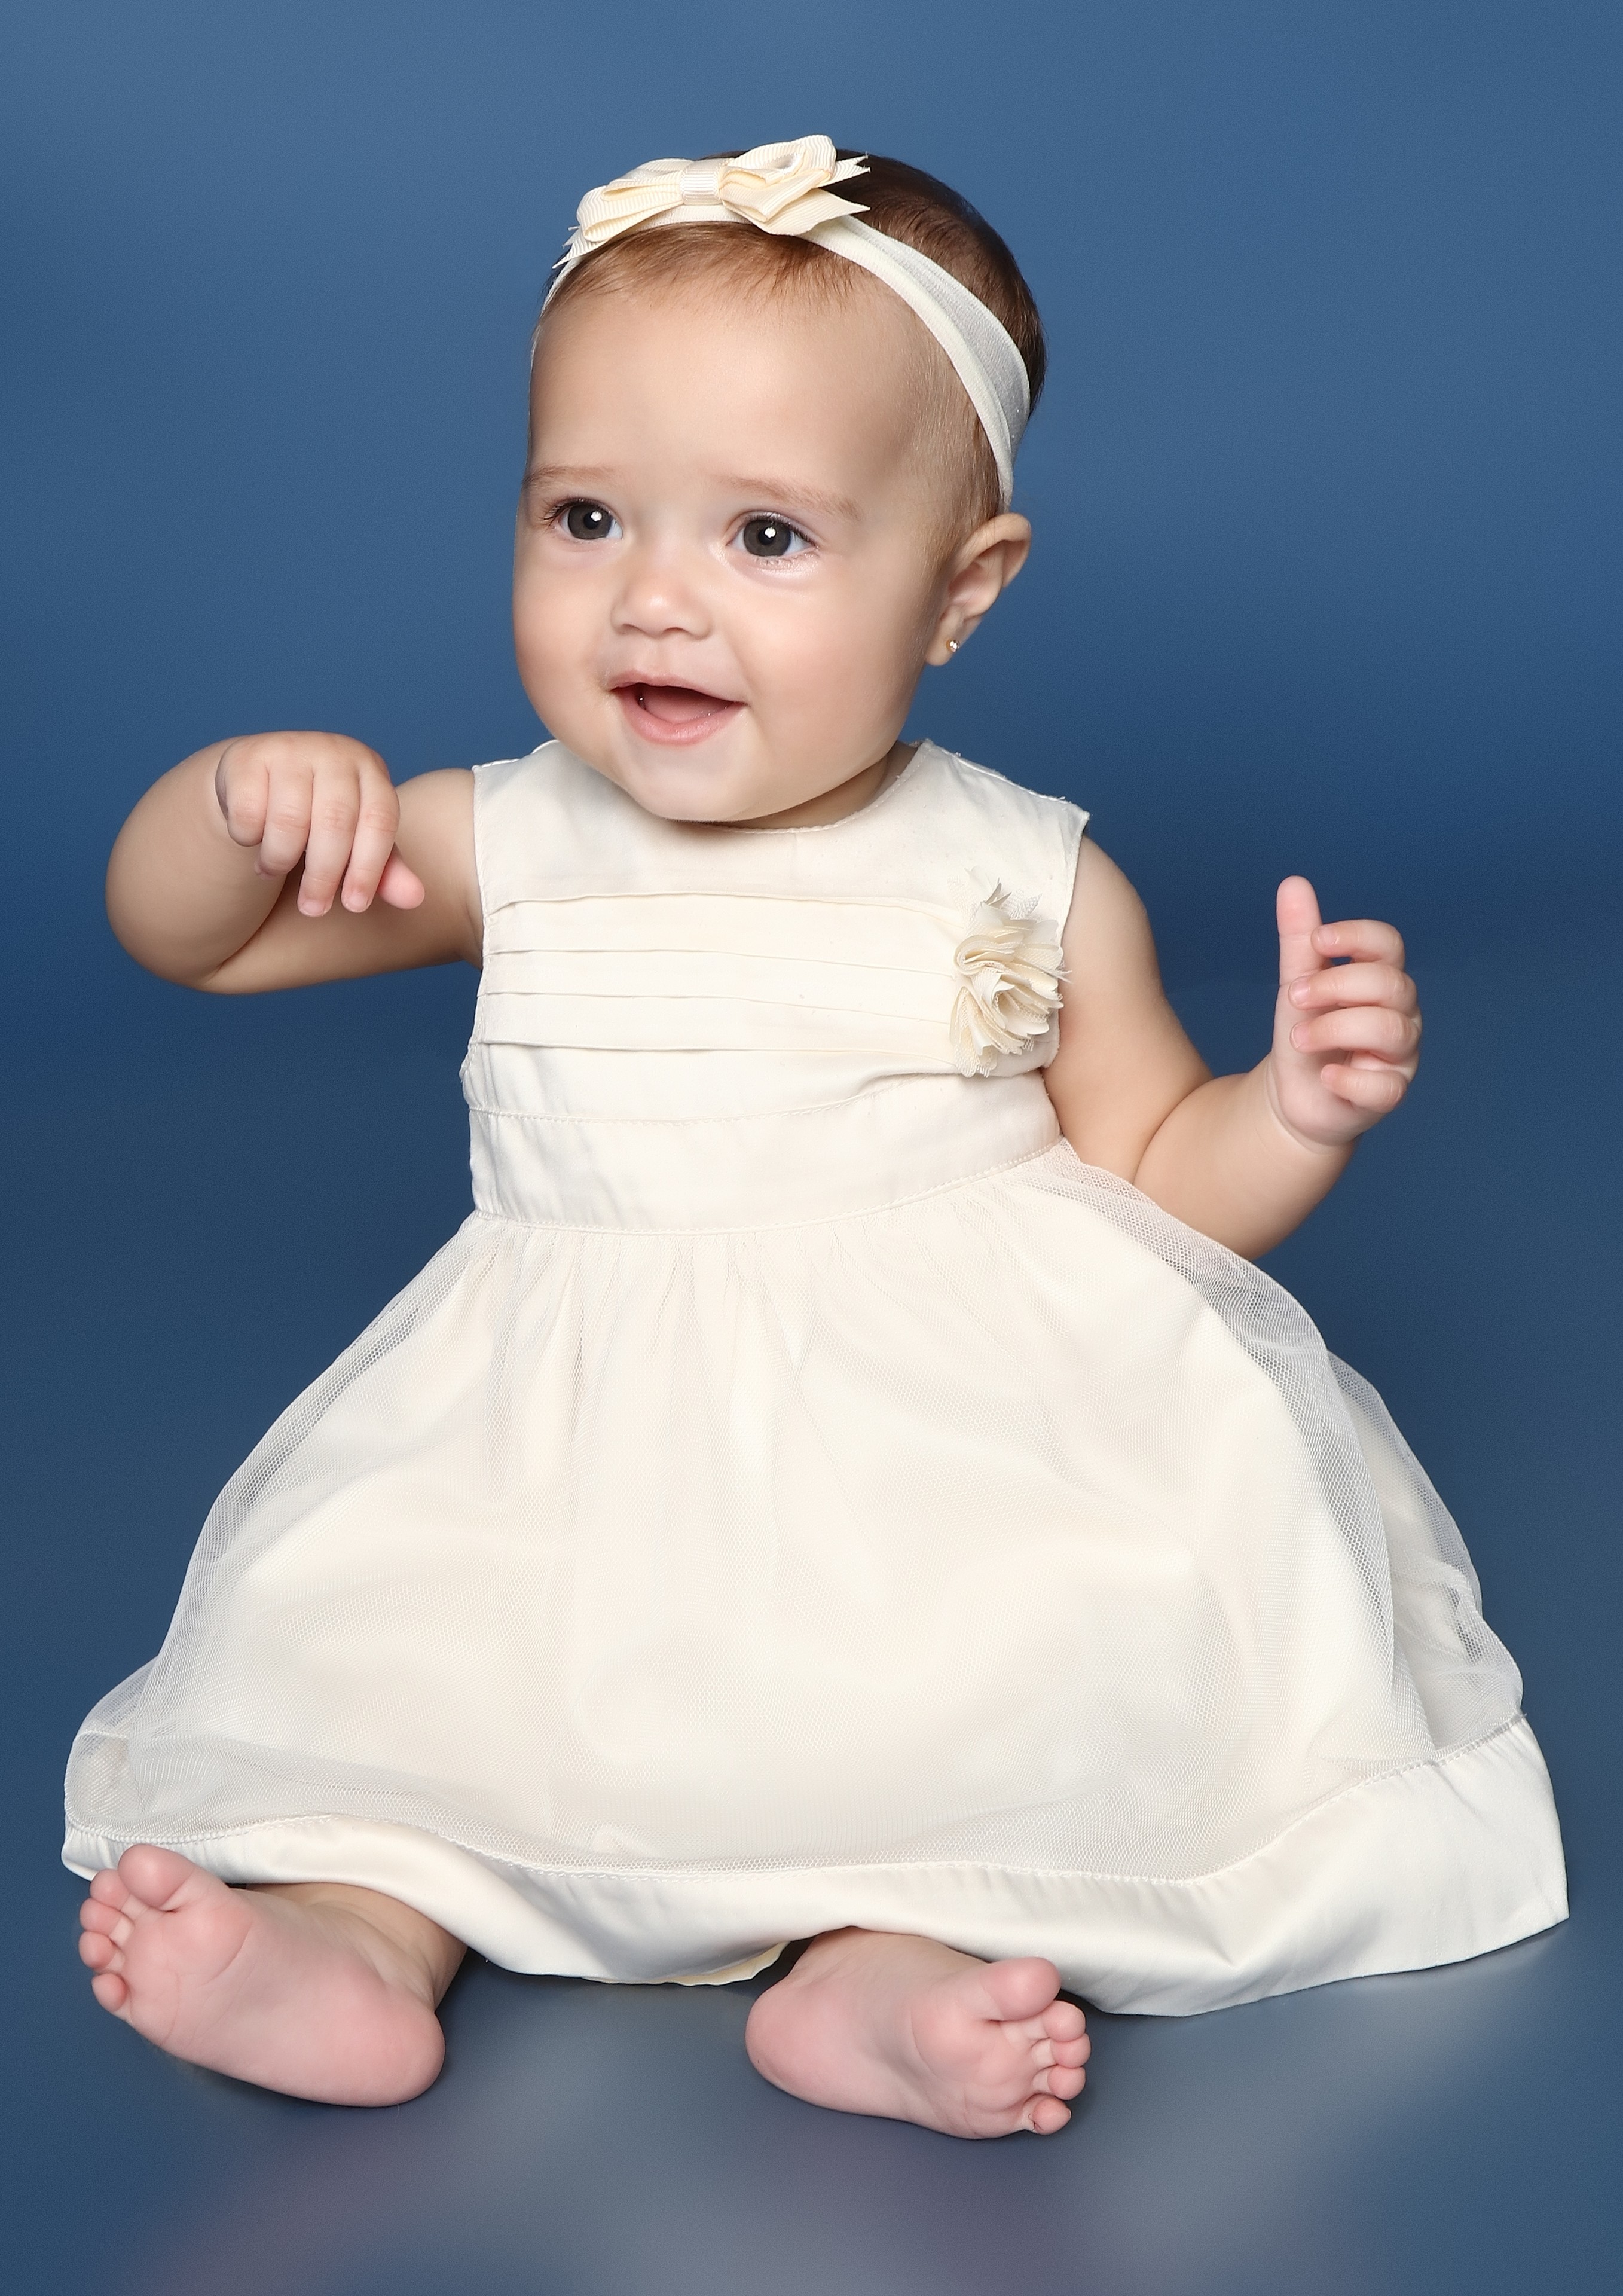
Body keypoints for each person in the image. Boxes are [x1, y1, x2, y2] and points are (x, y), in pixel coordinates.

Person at [67, 137, 1566, 2139]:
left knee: (981, 1709)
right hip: (558, 1452)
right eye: (585, 516)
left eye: (764, 537)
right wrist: (228, 809)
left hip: (937, 1458)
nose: (654, 597)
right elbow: (200, 941)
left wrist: (1290, 1109)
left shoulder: (1026, 875)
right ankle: (349, 1941)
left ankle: (872, 1977)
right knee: (416, 1691)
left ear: (959, 590)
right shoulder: (508, 835)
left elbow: (1156, 1180)